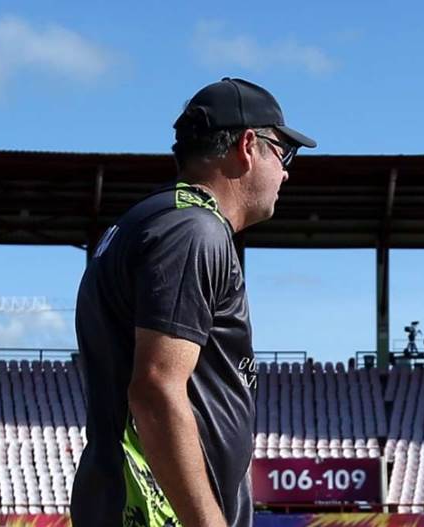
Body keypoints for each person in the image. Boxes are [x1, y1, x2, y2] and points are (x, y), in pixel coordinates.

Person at [71, 77, 316, 527]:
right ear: (248, 145)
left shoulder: (148, 220)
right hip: (158, 514)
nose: (285, 172)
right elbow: (156, 389)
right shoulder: (193, 230)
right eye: (283, 154)